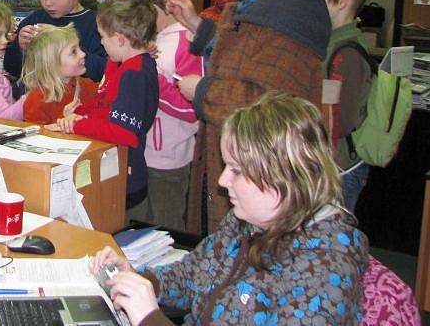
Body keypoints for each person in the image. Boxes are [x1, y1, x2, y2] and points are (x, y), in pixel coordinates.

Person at [91, 92, 369, 326]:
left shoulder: (325, 271)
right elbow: (193, 274)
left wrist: (149, 318)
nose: (223, 181)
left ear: (283, 177)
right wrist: (139, 280)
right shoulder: (247, 222)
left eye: (237, 171)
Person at [166, 0, 331, 234]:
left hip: (261, 175)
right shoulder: (265, 0)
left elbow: (266, 103)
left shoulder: (290, 17)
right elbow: (242, 55)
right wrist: (199, 26)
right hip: (239, 160)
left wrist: (201, 91)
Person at [48, 0, 159, 214]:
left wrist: (78, 123)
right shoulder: (118, 64)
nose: (101, 43)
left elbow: (123, 131)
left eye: (102, 37)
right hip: (111, 171)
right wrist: (81, 112)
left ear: (119, 39)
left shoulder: (135, 73)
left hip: (125, 182)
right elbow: (106, 102)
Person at [127, 0, 204, 230]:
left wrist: (151, 78)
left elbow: (192, 109)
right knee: (136, 228)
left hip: (169, 162)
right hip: (139, 154)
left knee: (166, 229)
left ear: (168, 6)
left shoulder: (187, 41)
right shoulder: (150, 39)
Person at [3, 0, 107, 85]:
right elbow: (12, 68)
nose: (48, 3)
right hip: (36, 101)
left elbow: (103, 71)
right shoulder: (34, 20)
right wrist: (19, 47)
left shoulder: (96, 25)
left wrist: (67, 47)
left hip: (78, 101)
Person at [323, 0, 372, 213]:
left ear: (341, 1)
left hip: (340, 165)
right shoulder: (333, 43)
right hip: (332, 162)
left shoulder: (345, 53)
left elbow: (338, 118)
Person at [21, 24, 99, 125]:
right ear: (53, 63)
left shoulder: (88, 86)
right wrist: (64, 120)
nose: (83, 54)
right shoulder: (38, 100)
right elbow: (36, 135)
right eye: (74, 52)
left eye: (79, 48)